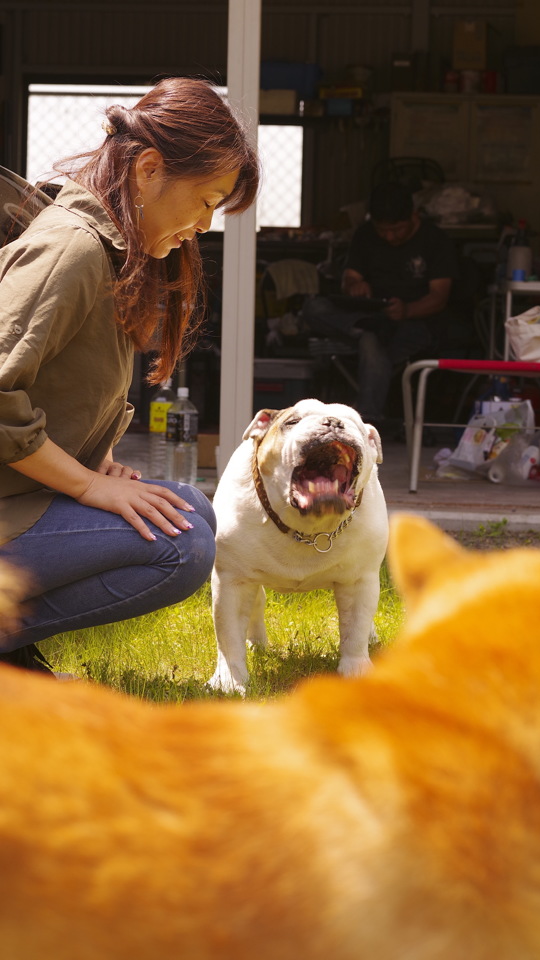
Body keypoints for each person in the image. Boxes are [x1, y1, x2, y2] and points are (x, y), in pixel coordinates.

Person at [0, 77, 259, 675]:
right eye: (206, 201)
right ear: (148, 168)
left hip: (20, 501)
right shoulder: (73, 247)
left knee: (189, 508)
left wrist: (93, 463)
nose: (204, 225)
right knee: (180, 545)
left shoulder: (107, 249)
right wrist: (92, 489)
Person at [302, 181, 457, 426]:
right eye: (382, 230)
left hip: (414, 321)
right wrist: (355, 286)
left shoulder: (434, 240)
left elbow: (439, 297)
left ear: (413, 217)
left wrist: (406, 310)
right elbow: (350, 277)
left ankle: (368, 420)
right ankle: (363, 324)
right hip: (369, 313)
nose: (389, 236)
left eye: (397, 230)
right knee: (314, 307)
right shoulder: (365, 234)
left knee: (371, 340)